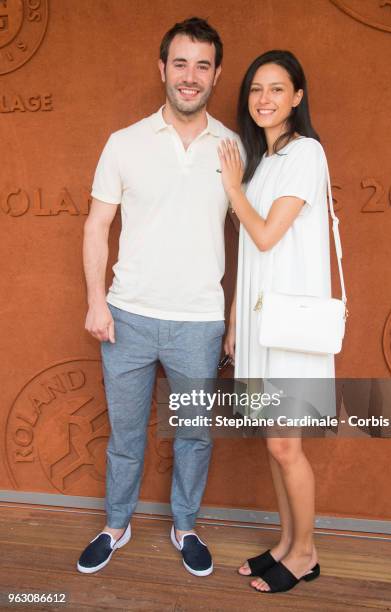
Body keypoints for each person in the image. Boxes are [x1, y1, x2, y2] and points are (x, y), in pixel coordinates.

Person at [78, 17, 240, 577]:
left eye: (202, 65)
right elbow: (98, 225)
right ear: (162, 69)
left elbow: (252, 244)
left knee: (195, 435)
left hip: (199, 323)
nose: (189, 76)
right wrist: (97, 301)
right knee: (125, 435)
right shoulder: (123, 143)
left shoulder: (234, 147)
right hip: (127, 317)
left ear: (216, 74)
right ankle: (114, 524)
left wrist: (234, 321)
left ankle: (185, 525)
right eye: (180, 63)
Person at [218, 50, 335, 593]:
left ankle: (306, 552)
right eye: (255, 89)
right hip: (262, 326)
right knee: (273, 440)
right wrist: (236, 322)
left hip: (291, 327)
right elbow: (252, 254)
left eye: (276, 88)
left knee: (287, 445)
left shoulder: (306, 154)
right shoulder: (264, 163)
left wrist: (233, 187)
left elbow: (266, 234)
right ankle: (287, 543)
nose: (264, 99)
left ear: (297, 97)